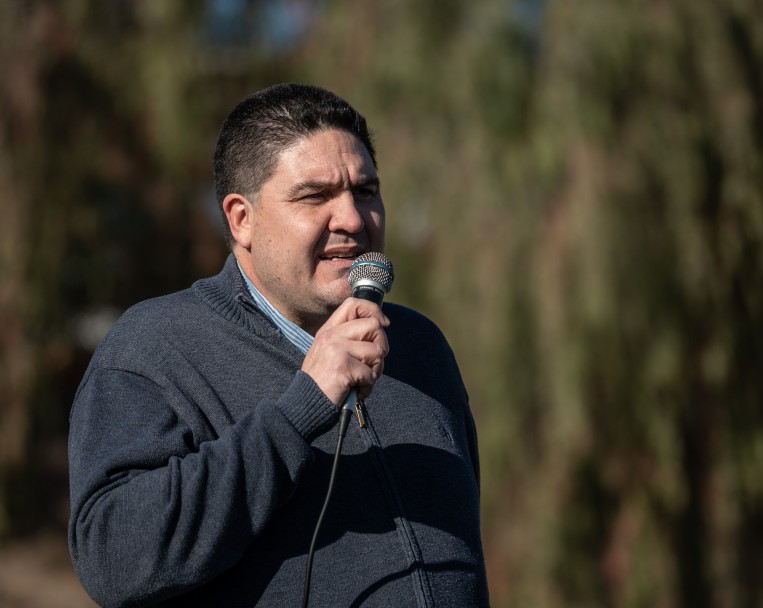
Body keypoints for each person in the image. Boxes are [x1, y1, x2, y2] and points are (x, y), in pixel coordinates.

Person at [67, 83, 489, 607]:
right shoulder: (154, 348)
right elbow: (115, 559)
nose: (354, 220)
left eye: (365, 191)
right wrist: (302, 408)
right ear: (242, 219)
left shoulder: (421, 347)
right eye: (315, 196)